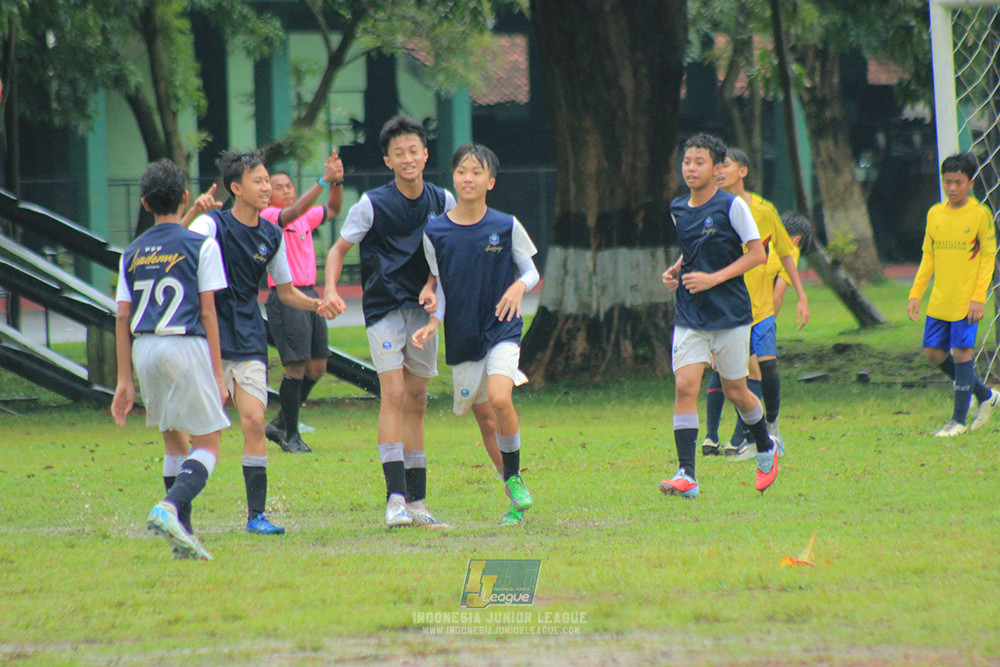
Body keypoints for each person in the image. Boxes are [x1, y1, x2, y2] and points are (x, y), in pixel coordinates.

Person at [188, 148, 341, 535]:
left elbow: (286, 290)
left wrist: (316, 303)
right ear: (236, 188)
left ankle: (256, 517)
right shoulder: (212, 226)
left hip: (250, 336)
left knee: (254, 422)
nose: (266, 188)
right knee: (201, 429)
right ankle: (179, 508)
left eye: (266, 180)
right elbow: (178, 242)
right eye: (258, 182)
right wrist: (194, 212)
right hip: (209, 338)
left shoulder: (272, 234)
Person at [323, 116, 455, 528]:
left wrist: (437, 288)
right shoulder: (372, 204)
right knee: (394, 393)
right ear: (388, 160)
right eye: (399, 153)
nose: (408, 158)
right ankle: (394, 498)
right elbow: (337, 250)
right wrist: (328, 290)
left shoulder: (442, 200)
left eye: (414, 150)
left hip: (423, 313)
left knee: (416, 401)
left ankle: (417, 501)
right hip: (383, 308)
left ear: (425, 154)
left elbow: (451, 250)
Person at [412, 142, 539, 526]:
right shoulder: (435, 231)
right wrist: (434, 321)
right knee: (484, 420)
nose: (468, 178)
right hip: (463, 335)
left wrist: (519, 287)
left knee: (501, 400)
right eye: (462, 171)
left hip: (502, 327)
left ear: (491, 181)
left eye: (477, 172)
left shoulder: (506, 225)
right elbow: (442, 288)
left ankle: (515, 479)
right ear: (453, 177)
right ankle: (513, 497)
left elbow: (530, 271)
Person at [112, 159, 230, 560]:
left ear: (145, 203)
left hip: (144, 348)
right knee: (209, 444)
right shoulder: (201, 244)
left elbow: (123, 315)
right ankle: (169, 507)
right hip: (185, 343)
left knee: (173, 437)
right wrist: (217, 372)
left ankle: (184, 537)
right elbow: (209, 312)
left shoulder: (131, 251)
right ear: (184, 197)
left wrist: (123, 380)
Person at [659, 133, 779, 499]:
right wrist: (676, 269)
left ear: (717, 167)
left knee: (736, 390)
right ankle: (687, 474)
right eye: (686, 162)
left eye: (699, 162)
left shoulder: (733, 206)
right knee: (685, 386)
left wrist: (715, 278)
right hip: (690, 312)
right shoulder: (678, 208)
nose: (691, 169)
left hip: (730, 313)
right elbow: (694, 251)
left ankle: (765, 445)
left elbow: (757, 254)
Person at [702, 148, 810, 458]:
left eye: (726, 166)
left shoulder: (764, 211)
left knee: (768, 366)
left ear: (743, 172)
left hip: (759, 309)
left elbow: (786, 252)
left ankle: (771, 428)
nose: (719, 171)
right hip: (729, 310)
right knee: (731, 375)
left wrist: (801, 295)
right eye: (717, 166)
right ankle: (745, 439)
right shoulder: (713, 210)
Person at [908, 152, 999, 436]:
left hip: (965, 301)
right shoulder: (935, 213)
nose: (952, 188)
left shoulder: (980, 215)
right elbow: (928, 256)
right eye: (947, 181)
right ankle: (986, 395)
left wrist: (978, 297)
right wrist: (916, 293)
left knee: (962, 353)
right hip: (940, 299)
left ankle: (958, 421)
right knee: (934, 353)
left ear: (970, 183)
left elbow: (987, 257)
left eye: (958, 182)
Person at [261, 152, 345, 454]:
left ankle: (282, 421)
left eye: (288, 185)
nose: (286, 190)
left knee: (318, 366)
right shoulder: (269, 217)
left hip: (310, 293)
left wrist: (337, 181)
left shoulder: (305, 217)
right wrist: (322, 180)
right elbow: (294, 211)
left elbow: (334, 208)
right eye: (278, 187)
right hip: (287, 296)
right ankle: (291, 435)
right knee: (295, 367)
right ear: (267, 193)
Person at [770, 211, 812, 318]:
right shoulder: (791, 250)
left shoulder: (762, 242)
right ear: (797, 240)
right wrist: (768, 324)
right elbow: (777, 297)